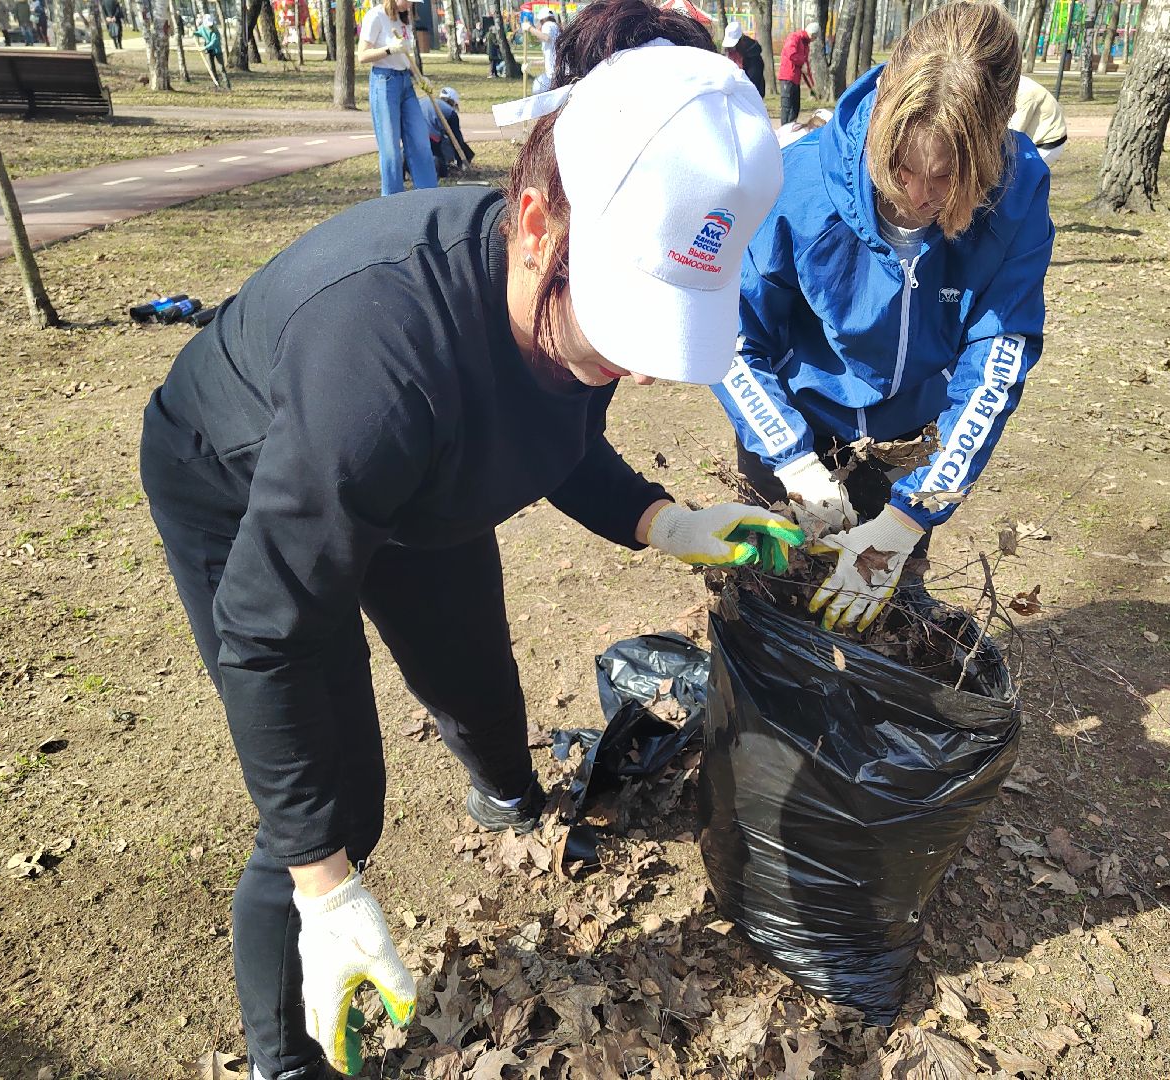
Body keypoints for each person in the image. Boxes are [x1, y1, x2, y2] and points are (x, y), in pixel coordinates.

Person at [138, 14, 790, 1080]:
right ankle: (281, 1060)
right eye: (613, 332)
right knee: (335, 802)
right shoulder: (383, 359)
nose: (629, 372)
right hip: (240, 478)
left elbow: (554, 432)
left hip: (411, 478)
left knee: (480, 686)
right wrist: (326, 879)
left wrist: (664, 520)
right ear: (534, 223)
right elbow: (269, 627)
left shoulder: (548, 326)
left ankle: (502, 796)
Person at [716, 1, 1053, 632]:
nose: (918, 197)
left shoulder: (1016, 197)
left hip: (909, 444)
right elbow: (735, 338)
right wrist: (793, 461)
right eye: (900, 168)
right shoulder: (799, 184)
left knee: (880, 610)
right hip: (795, 425)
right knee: (772, 600)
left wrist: (910, 514)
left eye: (948, 178)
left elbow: (996, 359)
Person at [358, 0, 438, 195]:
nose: (410, 5)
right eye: (408, 1)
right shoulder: (375, 16)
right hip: (385, 81)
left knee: (420, 142)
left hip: (405, 81)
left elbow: (405, 56)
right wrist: (389, 49)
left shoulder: (404, 19)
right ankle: (391, 201)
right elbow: (362, 55)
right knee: (391, 150)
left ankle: (429, 196)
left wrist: (419, 77)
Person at [1009, 74, 1067, 165]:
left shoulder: (1025, 92)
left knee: (1014, 173)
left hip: (1046, 145)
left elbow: (1014, 132)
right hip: (1030, 142)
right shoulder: (1013, 84)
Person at [776, 20, 819, 125]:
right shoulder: (794, 38)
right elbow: (791, 54)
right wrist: (801, 63)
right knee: (787, 106)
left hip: (796, 77)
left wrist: (812, 84)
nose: (815, 39)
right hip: (788, 76)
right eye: (815, 37)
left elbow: (805, 63)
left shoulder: (805, 44)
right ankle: (784, 129)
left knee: (795, 106)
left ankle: (791, 126)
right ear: (812, 34)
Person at [721, 18, 765, 98]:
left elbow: (752, 82)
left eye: (732, 47)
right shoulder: (730, 54)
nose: (730, 50)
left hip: (750, 96)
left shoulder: (753, 59)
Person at [195, 12, 229, 87]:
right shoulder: (202, 28)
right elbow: (199, 33)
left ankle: (227, 85)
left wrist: (204, 48)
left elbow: (214, 42)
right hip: (208, 51)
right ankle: (216, 84)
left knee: (221, 68)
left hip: (217, 50)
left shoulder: (215, 31)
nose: (210, 26)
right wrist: (194, 34)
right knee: (211, 68)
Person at [533, 11, 559, 92]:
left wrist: (530, 29)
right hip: (557, 66)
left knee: (538, 89)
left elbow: (546, 37)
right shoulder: (555, 26)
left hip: (553, 71)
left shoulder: (547, 25)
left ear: (542, 20)